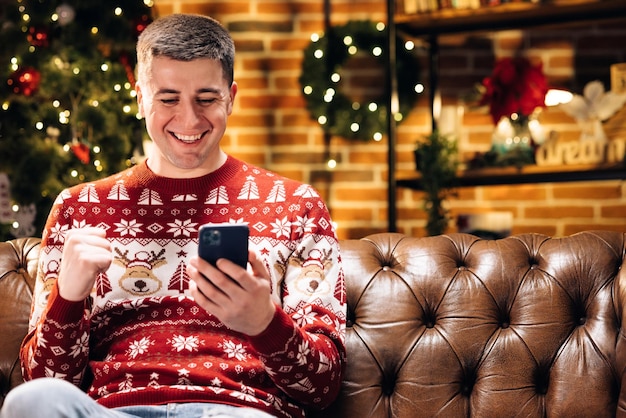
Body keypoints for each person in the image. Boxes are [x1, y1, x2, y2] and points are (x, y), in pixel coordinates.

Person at [0, 13, 346, 418]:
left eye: (207, 99)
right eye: (168, 99)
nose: (188, 120)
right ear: (140, 97)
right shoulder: (79, 208)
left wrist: (265, 322)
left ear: (231, 98)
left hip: (237, 410)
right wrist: (69, 298)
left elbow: (324, 387)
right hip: (111, 411)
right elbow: (46, 379)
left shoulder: (297, 206)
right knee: (30, 402)